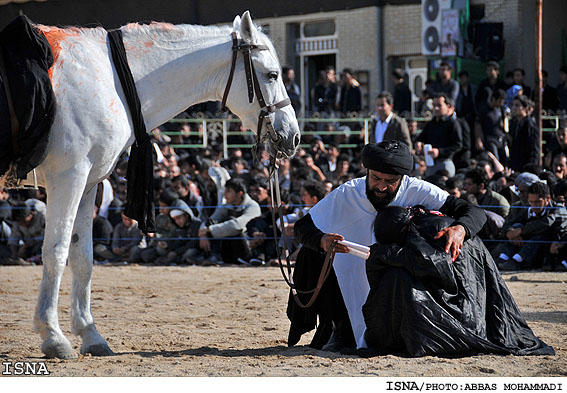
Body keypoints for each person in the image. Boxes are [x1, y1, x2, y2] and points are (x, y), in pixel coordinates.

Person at [286, 140, 486, 352]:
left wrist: (460, 229)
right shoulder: (348, 192)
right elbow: (302, 227)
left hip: (395, 269)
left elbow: (473, 212)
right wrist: (322, 240)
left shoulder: (418, 190)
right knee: (313, 254)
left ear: (402, 178)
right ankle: (339, 329)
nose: (381, 187)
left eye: (390, 181)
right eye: (376, 178)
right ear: (367, 172)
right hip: (350, 268)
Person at [362, 205, 554, 357]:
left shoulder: (420, 230)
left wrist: (384, 253)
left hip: (467, 299)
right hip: (474, 288)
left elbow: (433, 264)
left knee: (399, 278)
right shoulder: (423, 221)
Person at [495, 182, 567, 271]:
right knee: (516, 226)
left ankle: (518, 260)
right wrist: (512, 232)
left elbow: (545, 223)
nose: (534, 206)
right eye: (531, 202)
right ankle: (504, 257)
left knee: (540, 235)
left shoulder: (558, 209)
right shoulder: (530, 211)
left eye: (537, 202)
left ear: (547, 199)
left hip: (555, 245)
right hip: (534, 246)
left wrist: (521, 230)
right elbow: (509, 223)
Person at [198, 178, 261, 265]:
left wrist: (209, 230)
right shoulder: (227, 206)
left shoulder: (252, 206)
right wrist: (202, 234)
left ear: (239, 194)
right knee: (212, 222)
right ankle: (213, 256)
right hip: (229, 246)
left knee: (229, 221)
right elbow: (210, 220)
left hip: (247, 247)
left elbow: (237, 225)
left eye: (228, 191)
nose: (225, 194)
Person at [415, 93, 462, 177]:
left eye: (439, 105)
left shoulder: (452, 123)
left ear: (448, 106)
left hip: (444, 163)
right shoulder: (431, 124)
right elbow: (421, 138)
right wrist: (419, 143)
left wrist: (439, 152)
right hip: (430, 164)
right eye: (434, 105)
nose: (436, 108)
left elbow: (458, 145)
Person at [509, 95, 540, 172]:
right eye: (513, 105)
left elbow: (534, 149)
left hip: (526, 166)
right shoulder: (514, 123)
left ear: (525, 108)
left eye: (517, 105)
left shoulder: (530, 125)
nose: (514, 108)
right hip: (516, 165)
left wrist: (531, 169)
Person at [474, 88, 507, 161]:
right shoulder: (484, 110)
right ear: (493, 99)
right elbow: (478, 124)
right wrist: (478, 139)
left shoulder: (501, 110)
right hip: (490, 139)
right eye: (499, 101)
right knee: (495, 158)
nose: (501, 103)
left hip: (501, 138)